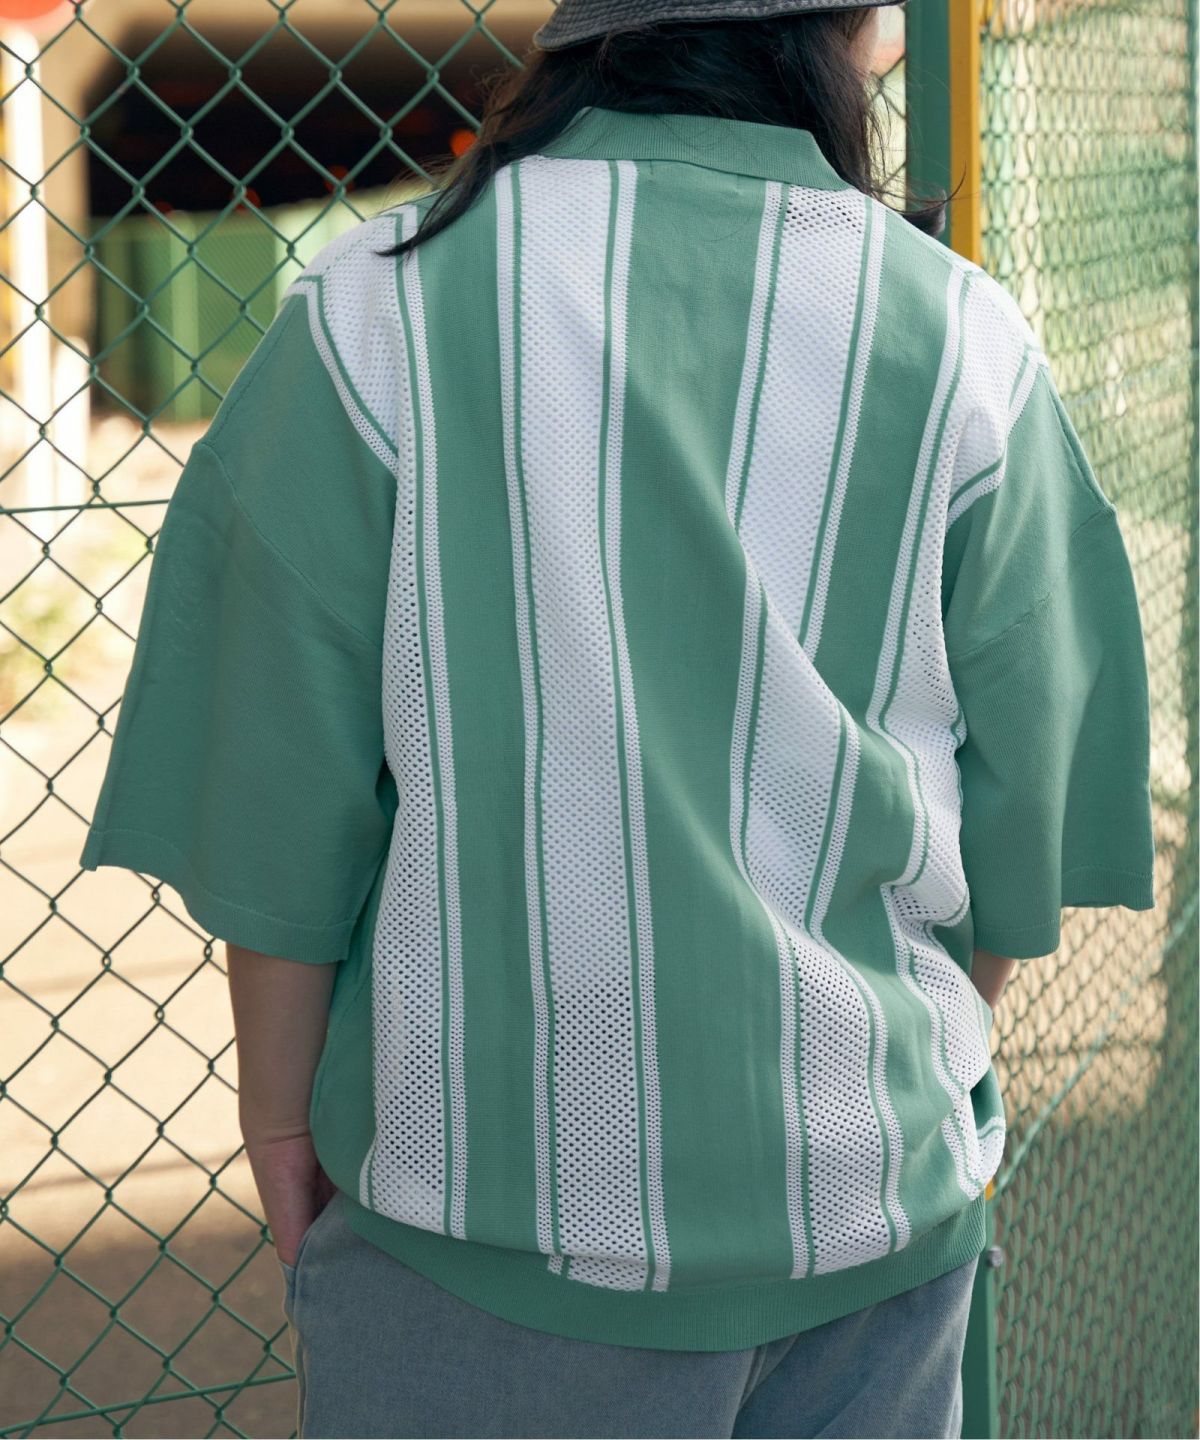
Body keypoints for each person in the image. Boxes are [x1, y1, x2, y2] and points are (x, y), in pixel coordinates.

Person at [78, 0, 1157, 1434]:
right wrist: (909, 1069)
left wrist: (280, 1114)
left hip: (478, 1221)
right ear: (865, 33)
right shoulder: (967, 335)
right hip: (881, 1213)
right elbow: (1032, 808)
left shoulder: (373, 311)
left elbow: (278, 789)